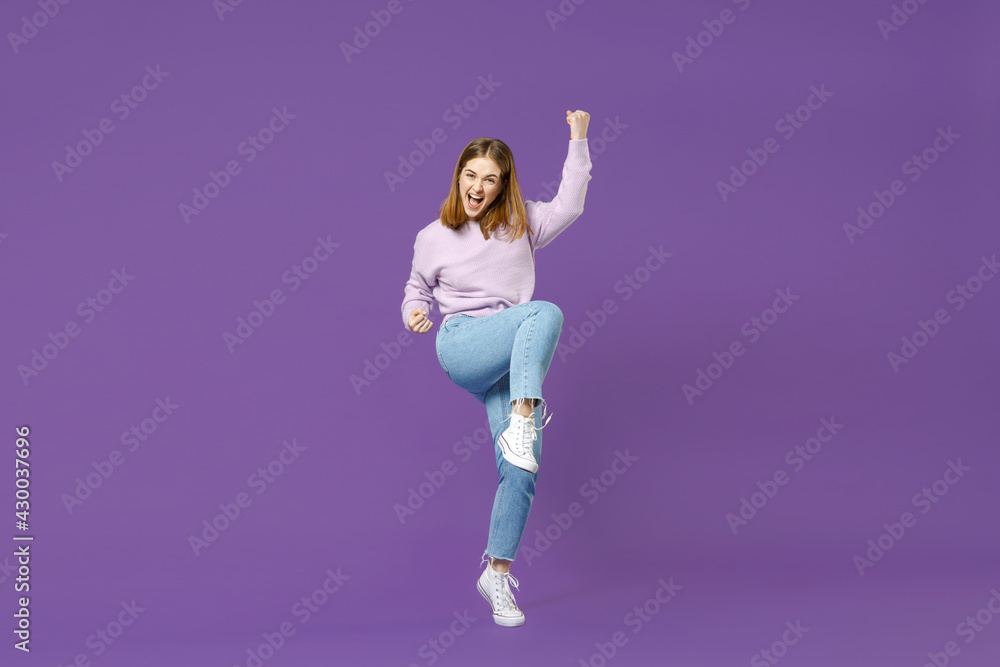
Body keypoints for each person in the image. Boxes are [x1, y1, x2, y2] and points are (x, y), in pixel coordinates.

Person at [400, 110, 592, 627]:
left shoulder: (521, 223)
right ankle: (526, 416)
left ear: (502, 185)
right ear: (458, 176)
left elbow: (571, 203)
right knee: (545, 312)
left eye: (490, 179)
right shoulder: (433, 236)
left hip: (513, 355)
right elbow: (416, 289)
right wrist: (413, 312)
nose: (478, 186)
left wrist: (578, 138)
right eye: (471, 175)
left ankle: (497, 574)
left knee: (522, 466)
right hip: (463, 345)